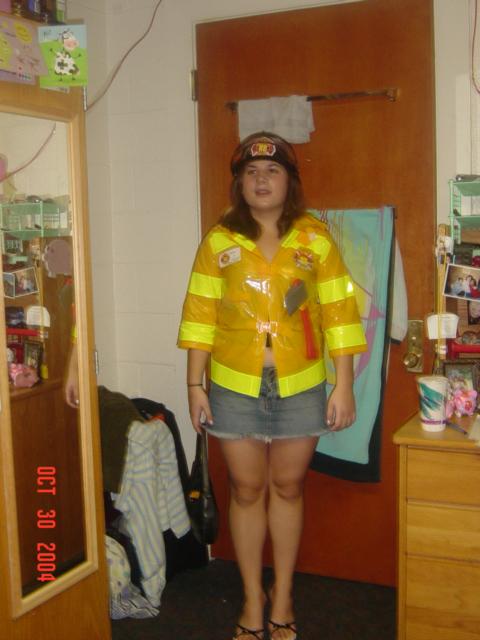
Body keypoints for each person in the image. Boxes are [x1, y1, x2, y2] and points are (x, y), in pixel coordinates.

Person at [177, 132, 367, 640]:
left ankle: (282, 593)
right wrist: (194, 384)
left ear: (290, 181)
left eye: (273, 170)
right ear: (240, 183)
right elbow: (199, 315)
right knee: (245, 490)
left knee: (287, 487)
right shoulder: (218, 241)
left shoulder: (316, 239)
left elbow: (340, 313)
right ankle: (251, 597)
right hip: (233, 385)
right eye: (252, 172)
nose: (261, 180)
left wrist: (344, 384)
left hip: (301, 384)